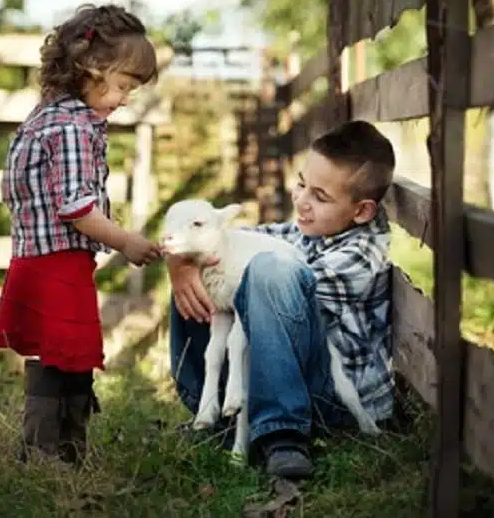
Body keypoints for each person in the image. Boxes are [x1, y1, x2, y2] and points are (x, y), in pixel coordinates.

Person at [166, 120, 396, 478]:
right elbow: (229, 240)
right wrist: (181, 261)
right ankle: (209, 409)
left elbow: (276, 289)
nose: (302, 201)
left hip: (332, 401)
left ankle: (283, 435)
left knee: (268, 274)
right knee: (200, 266)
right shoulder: (310, 231)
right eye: (302, 184)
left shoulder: (360, 254)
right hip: (297, 376)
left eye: (320, 197)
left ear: (362, 211)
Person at [0, 3, 163, 466]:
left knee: (64, 352)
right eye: (124, 85)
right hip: (56, 261)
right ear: (91, 68)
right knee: (59, 354)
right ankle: (47, 449)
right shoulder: (70, 127)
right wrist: (127, 241)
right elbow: (76, 207)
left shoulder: (49, 114)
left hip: (40, 256)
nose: (126, 97)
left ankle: (66, 447)